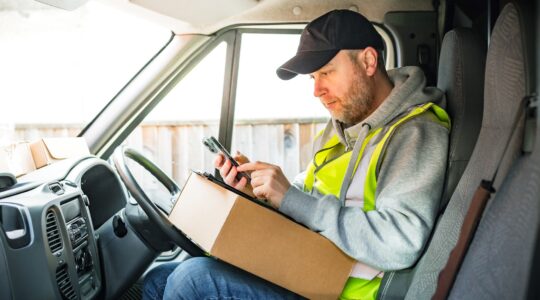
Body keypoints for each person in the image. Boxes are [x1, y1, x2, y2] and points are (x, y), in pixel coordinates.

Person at [144, 9, 450, 300]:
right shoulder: (340, 128)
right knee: (159, 278)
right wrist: (259, 192)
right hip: (306, 268)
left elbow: (401, 243)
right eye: (312, 78)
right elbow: (308, 195)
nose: (317, 90)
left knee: (193, 280)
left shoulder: (416, 133)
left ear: (369, 62)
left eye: (327, 72)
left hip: (340, 291)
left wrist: (293, 200)